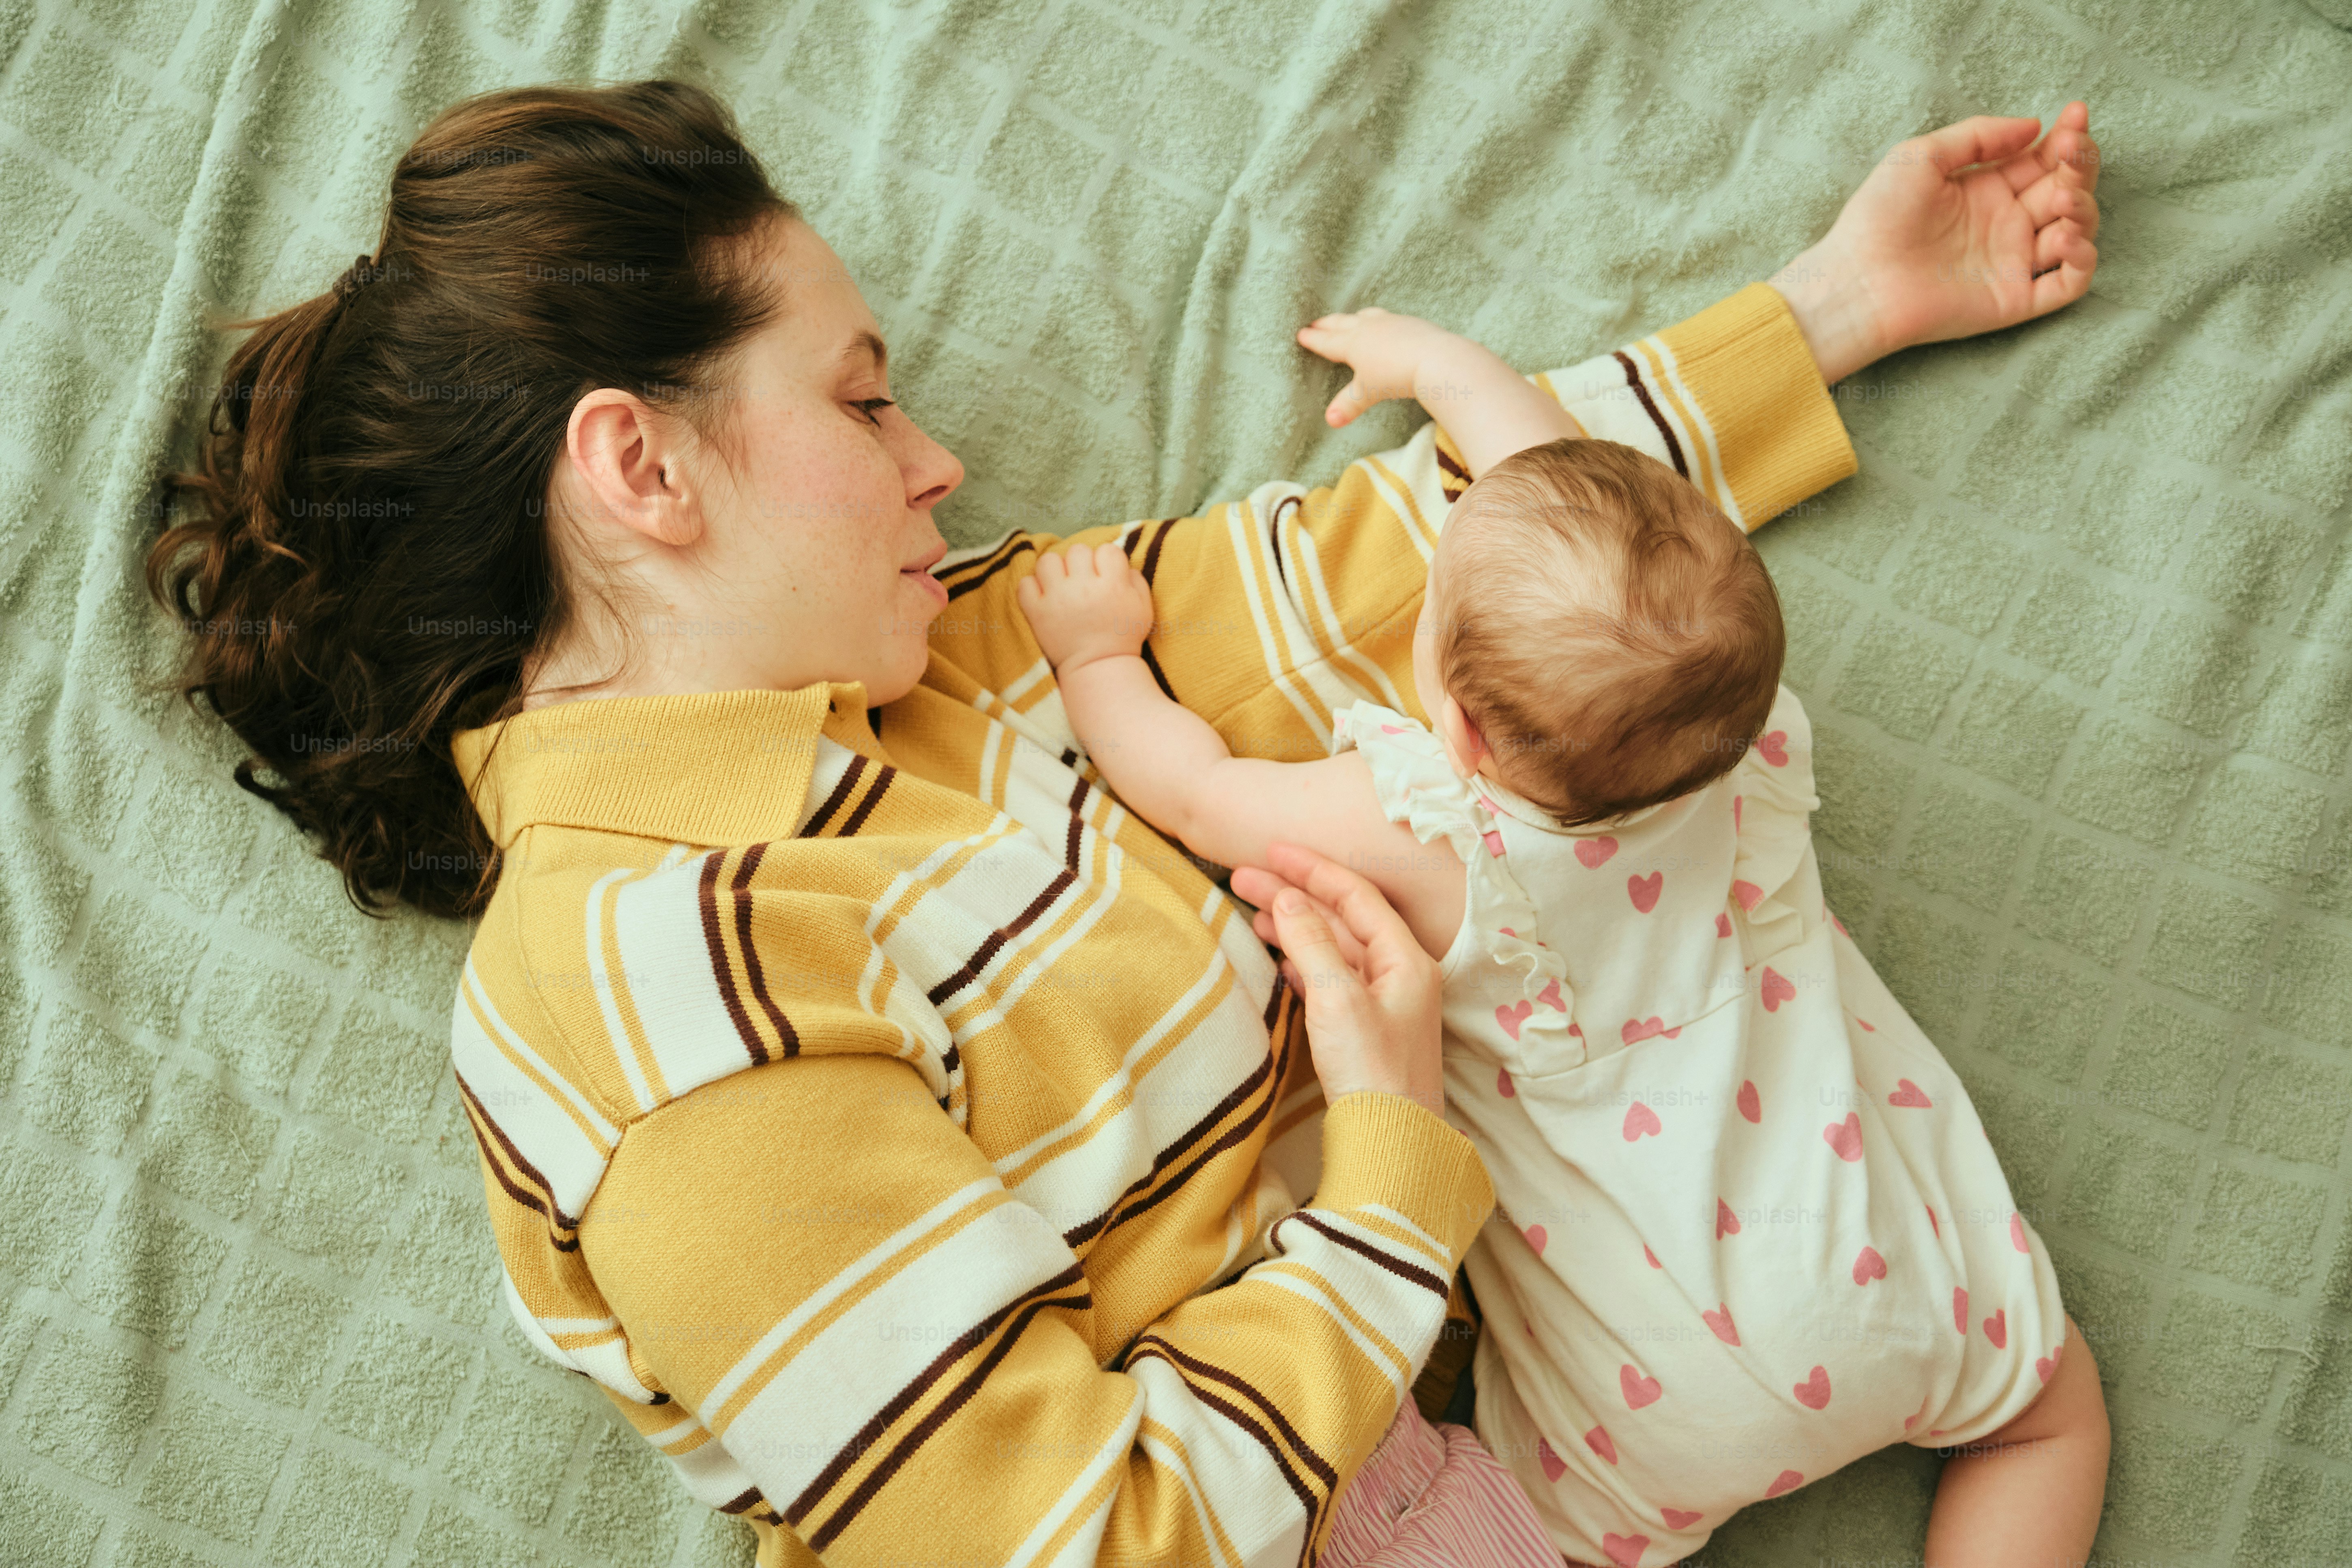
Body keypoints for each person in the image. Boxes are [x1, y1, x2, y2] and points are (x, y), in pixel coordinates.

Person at [146, 75, 2103, 1568]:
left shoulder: (971, 651)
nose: (941, 461)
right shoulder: (646, 997)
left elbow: (1443, 563)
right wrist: (1400, 1163)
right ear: (638, 465)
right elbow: (1081, 1538)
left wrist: (1843, 303)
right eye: (863, 404)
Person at [1015, 296, 2108, 1565]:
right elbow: (1581, 493)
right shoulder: (1739, 745)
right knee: (2045, 1420)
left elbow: (1197, 791)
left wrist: (1097, 658)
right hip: (1882, 1281)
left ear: (1462, 736)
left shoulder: (1434, 837)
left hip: (1649, 1413)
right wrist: (1447, 367)